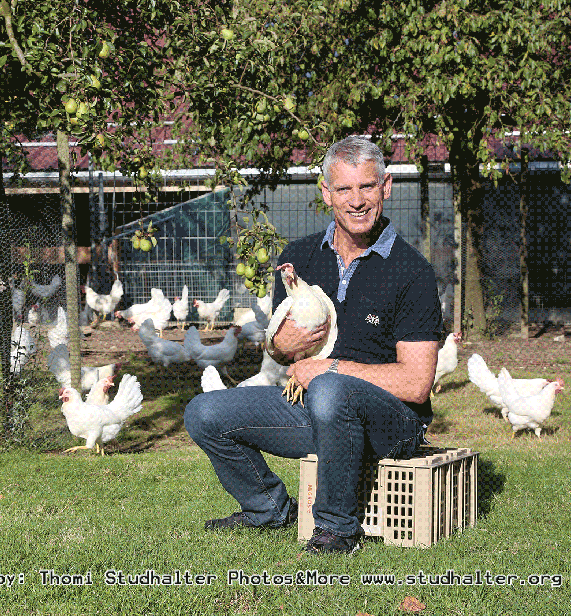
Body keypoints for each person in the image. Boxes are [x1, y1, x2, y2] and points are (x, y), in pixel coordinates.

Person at [184, 136, 443, 554]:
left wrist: (332, 370)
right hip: (316, 410)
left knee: (327, 388)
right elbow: (282, 356)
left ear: (387, 187)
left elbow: (416, 384)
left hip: (393, 424)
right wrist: (279, 347)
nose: (356, 200)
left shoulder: (412, 272)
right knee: (204, 412)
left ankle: (337, 529)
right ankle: (268, 508)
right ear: (326, 193)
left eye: (367, 187)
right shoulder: (298, 258)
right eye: (344, 189)